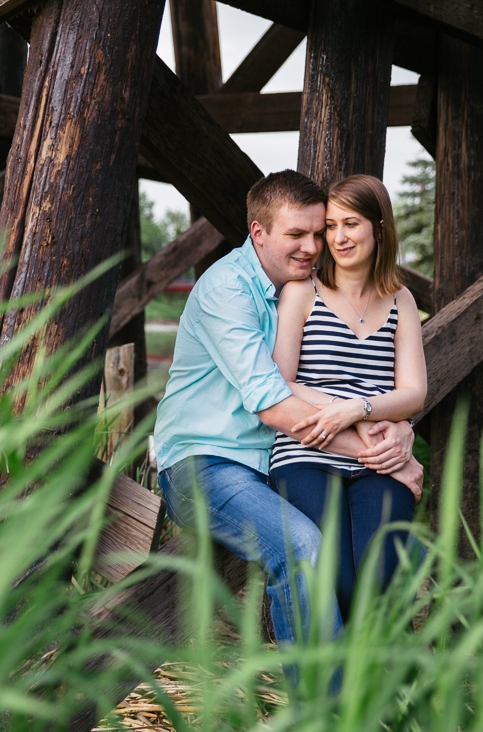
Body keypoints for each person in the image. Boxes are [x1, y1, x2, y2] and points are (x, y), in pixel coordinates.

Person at [153, 170, 421, 650]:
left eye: (317, 233)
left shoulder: (291, 291)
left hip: (262, 467)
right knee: (303, 547)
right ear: (259, 233)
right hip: (206, 464)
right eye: (296, 234)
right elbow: (275, 403)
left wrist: (401, 431)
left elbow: (332, 385)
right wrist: (384, 452)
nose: (315, 245)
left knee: (372, 560)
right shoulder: (228, 291)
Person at [269, 174, 427, 624]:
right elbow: (279, 381)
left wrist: (362, 408)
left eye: (350, 224)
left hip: (379, 461)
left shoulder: (402, 301)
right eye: (330, 226)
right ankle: (345, 684)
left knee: (379, 579)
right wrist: (348, 411)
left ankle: (365, 683)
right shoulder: (303, 293)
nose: (337, 238)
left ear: (379, 227)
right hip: (306, 453)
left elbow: (414, 392)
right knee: (336, 576)